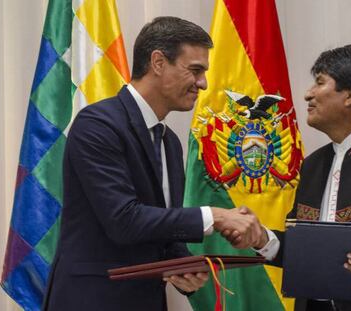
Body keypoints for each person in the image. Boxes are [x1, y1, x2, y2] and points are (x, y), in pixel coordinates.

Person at [42, 16, 265, 311]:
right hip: (94, 300)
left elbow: (161, 222)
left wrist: (181, 264)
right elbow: (124, 220)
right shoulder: (97, 124)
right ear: (158, 62)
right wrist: (217, 216)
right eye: (195, 70)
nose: (204, 83)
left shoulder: (169, 140)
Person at [224, 44, 351, 311]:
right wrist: (260, 238)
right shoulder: (313, 164)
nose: (307, 95)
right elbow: (305, 247)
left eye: (320, 83)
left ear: (350, 95)